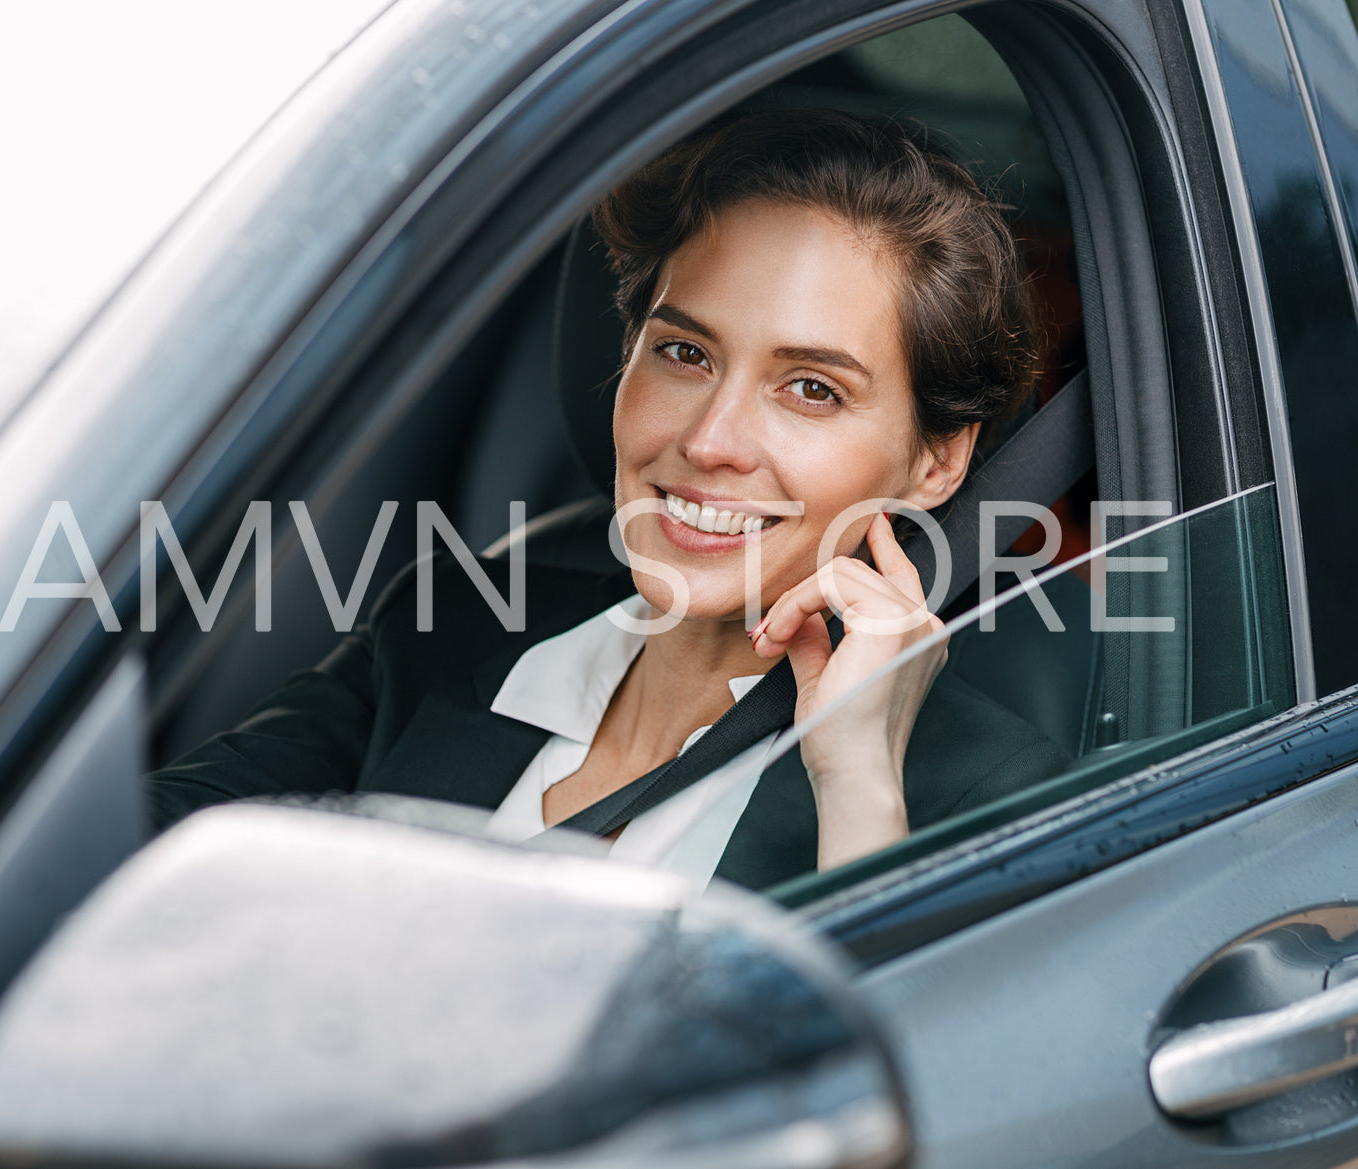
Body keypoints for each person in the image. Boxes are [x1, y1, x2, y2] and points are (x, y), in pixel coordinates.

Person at [149, 109, 1065, 891]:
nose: (709, 440)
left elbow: (933, 1083)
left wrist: (857, 780)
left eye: (811, 389)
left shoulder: (979, 788)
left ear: (935, 462)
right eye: (685, 353)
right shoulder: (454, 628)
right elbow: (129, 851)